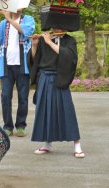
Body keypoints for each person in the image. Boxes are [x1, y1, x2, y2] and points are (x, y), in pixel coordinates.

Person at [27, 13, 85, 158]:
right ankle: (47, 143)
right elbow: (35, 60)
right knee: (45, 111)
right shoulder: (43, 40)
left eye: (58, 26)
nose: (55, 28)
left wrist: (49, 42)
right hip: (44, 79)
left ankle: (77, 144)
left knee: (67, 110)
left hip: (60, 79)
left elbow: (68, 57)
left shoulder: (69, 40)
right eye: (53, 26)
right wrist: (34, 46)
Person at [0, 8, 35, 137]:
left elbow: (25, 32)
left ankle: (21, 125)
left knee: (23, 97)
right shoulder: (3, 24)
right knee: (5, 97)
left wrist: (9, 19)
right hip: (6, 65)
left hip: (23, 64)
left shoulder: (28, 19)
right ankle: (7, 126)